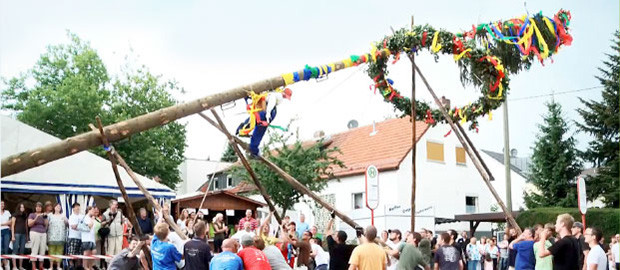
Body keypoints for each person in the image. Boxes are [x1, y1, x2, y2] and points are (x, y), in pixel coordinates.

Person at [27, 202, 48, 270]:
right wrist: (36, 217)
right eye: (37, 206)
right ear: (35, 208)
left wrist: (45, 217)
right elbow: (29, 224)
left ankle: (41, 267)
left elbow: (46, 225)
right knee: (35, 249)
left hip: (43, 233)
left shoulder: (43, 215)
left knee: (42, 249)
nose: (38, 208)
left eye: (40, 206)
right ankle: (34, 267)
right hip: (34, 232)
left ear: (42, 208)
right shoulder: (32, 214)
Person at [47, 203, 68, 270]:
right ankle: (51, 266)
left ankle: (58, 266)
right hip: (51, 236)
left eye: (59, 206)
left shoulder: (63, 215)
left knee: (60, 251)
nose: (58, 207)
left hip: (61, 237)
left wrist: (66, 221)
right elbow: (46, 224)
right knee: (51, 251)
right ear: (54, 207)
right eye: (57, 206)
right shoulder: (50, 215)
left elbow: (68, 225)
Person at [67, 203, 83, 270]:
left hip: (81, 237)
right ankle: (71, 266)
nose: (77, 208)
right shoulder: (71, 216)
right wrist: (80, 225)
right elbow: (73, 226)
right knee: (71, 253)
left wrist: (79, 226)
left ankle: (78, 267)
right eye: (76, 207)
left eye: (78, 207)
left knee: (79, 254)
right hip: (73, 237)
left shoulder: (82, 216)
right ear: (73, 208)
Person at [0, 201, 11, 270]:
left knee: (6, 248)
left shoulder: (7, 212)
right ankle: (3, 264)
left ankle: (5, 263)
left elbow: (10, 222)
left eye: (3, 204)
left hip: (6, 231)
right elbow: (8, 222)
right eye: (1, 204)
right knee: (1, 249)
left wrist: (1, 224)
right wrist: (5, 223)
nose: (2, 205)